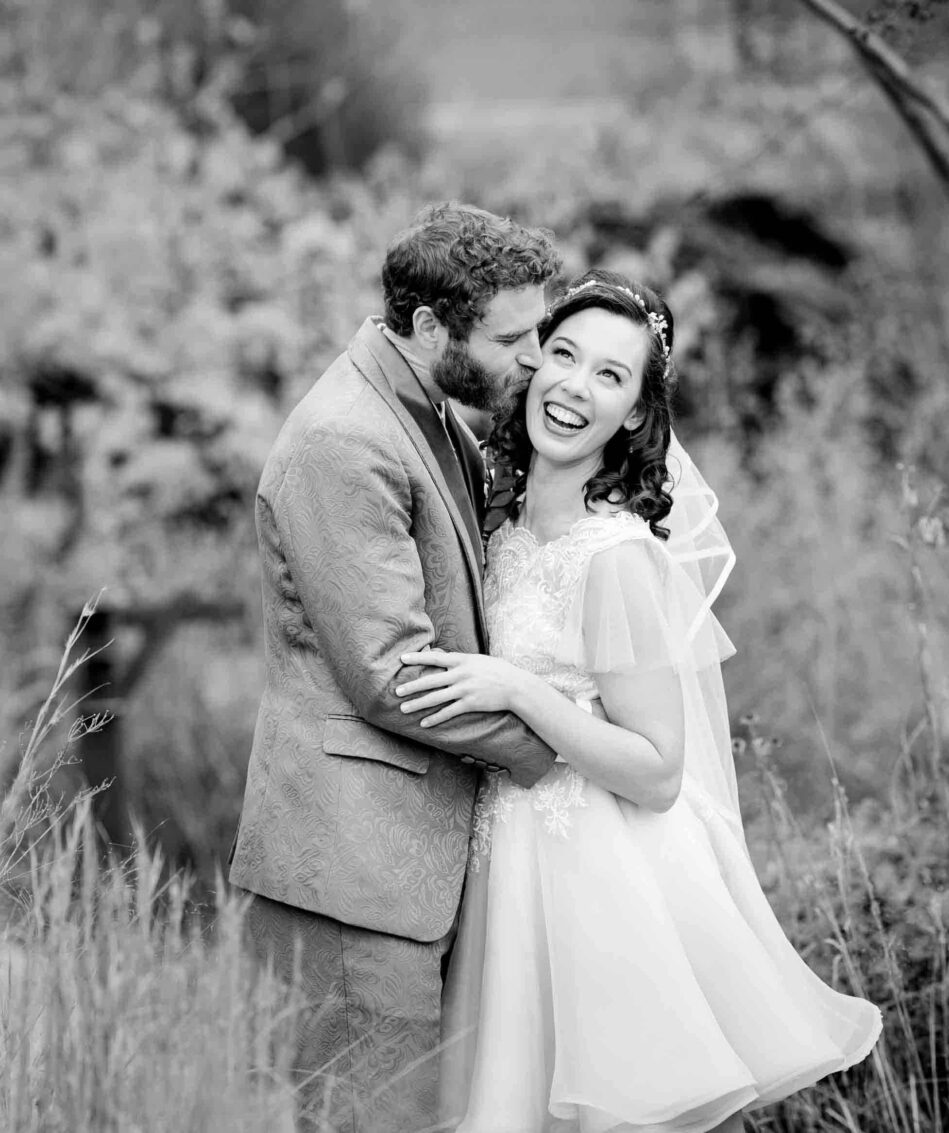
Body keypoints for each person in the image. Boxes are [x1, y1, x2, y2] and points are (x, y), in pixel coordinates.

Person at [397, 269, 883, 1132]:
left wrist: (517, 689)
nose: (575, 386)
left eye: (610, 375)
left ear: (633, 415)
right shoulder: (501, 524)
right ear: (534, 363)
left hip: (597, 875)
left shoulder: (614, 556)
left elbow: (659, 769)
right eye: (565, 355)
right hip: (507, 867)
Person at [230, 201, 566, 1131]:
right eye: (513, 336)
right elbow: (391, 672)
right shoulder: (346, 440)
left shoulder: (424, 409)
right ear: (427, 326)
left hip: (405, 865)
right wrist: (556, 750)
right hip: (353, 875)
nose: (535, 354)